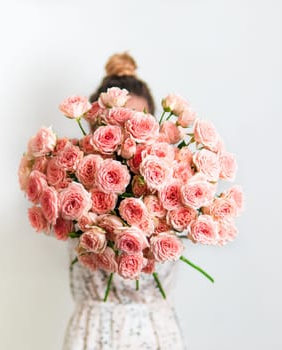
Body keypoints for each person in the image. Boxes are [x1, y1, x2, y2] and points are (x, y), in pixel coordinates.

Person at [61, 52, 187, 350]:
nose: (127, 134)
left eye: (138, 122)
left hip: (157, 333)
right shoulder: (70, 188)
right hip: (91, 333)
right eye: (118, 123)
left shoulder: (175, 190)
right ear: (96, 129)